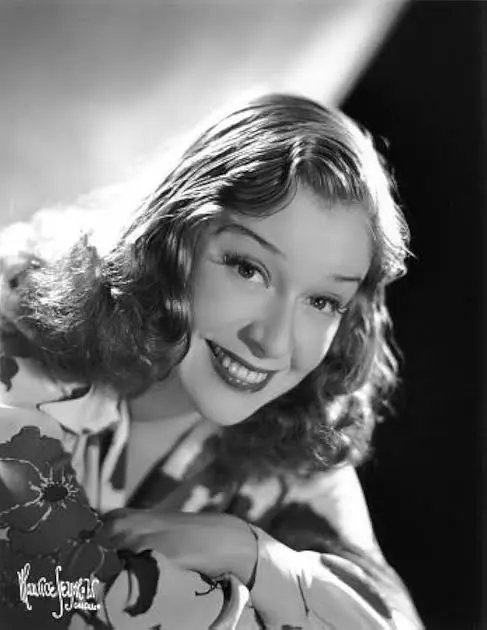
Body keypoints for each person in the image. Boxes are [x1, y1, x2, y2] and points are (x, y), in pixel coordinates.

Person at [0, 94, 423, 630]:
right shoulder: (18, 345)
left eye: (321, 301)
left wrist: (258, 558)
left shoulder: (291, 443)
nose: (272, 342)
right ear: (172, 236)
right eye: (248, 269)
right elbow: (52, 602)